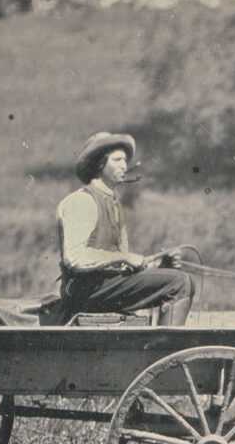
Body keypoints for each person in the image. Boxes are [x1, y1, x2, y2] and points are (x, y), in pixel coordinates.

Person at [55, 132, 193, 326]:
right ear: (99, 163)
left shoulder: (113, 205)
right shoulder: (81, 201)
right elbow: (76, 257)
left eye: (126, 160)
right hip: (84, 291)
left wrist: (158, 264)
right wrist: (125, 257)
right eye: (117, 160)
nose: (124, 166)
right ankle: (166, 350)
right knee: (179, 283)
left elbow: (121, 268)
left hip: (103, 287)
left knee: (176, 279)